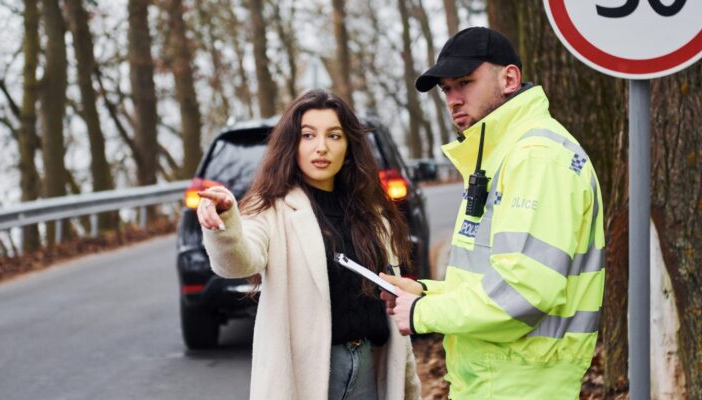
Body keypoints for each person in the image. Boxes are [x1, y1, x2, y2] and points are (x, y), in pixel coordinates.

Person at [380, 27, 606, 399]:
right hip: (497, 380)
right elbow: (491, 278)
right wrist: (426, 292)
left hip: (521, 384)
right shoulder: (506, 154)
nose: (453, 99)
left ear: (509, 79)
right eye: (446, 89)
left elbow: (524, 293)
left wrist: (424, 312)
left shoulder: (537, 157)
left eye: (465, 82)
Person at [196, 89, 422, 400]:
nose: (321, 147)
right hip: (309, 374)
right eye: (308, 135)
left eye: (334, 136)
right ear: (292, 144)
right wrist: (225, 223)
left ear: (348, 146)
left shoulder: (370, 209)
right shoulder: (270, 207)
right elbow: (238, 262)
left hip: (370, 363)